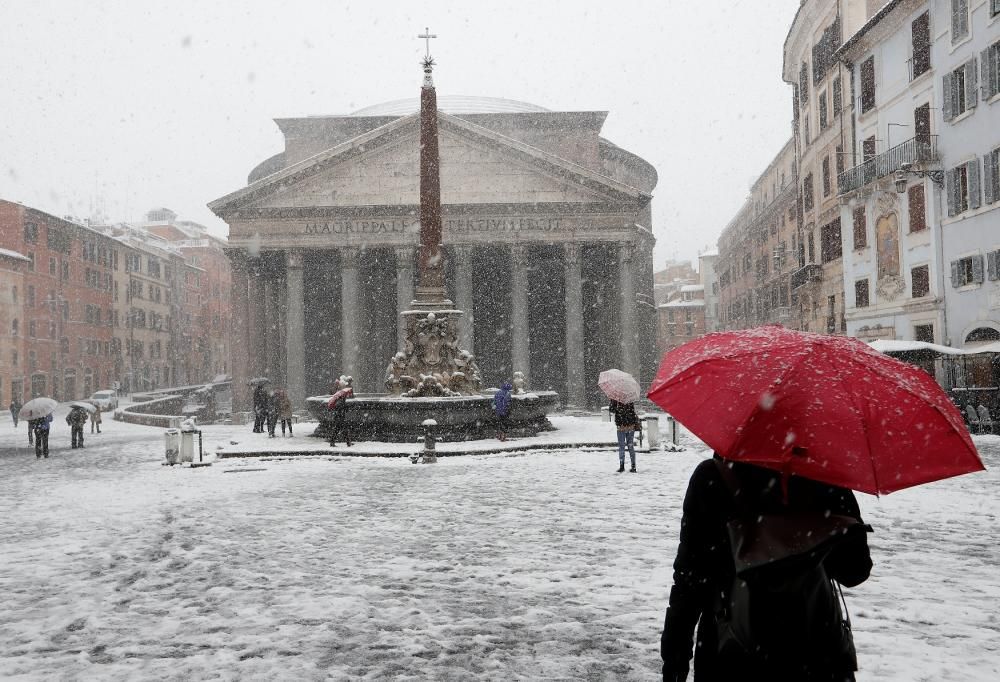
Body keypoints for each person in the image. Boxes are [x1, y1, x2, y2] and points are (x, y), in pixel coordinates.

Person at [660, 454, 873, 681]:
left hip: (732, 656)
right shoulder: (825, 474)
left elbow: (689, 583)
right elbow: (855, 571)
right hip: (816, 655)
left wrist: (675, 664)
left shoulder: (713, 476)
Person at [609, 399, 640, 472]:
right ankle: (633, 466)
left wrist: (613, 404)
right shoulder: (629, 398)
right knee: (630, 446)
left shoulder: (615, 398)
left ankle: (622, 466)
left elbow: (612, 410)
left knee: (622, 447)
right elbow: (632, 412)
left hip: (622, 426)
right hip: (630, 425)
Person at [327, 378, 354, 447]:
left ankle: (334, 442)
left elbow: (339, 406)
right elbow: (340, 407)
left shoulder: (340, 397)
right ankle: (348, 442)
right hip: (340, 416)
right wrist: (345, 408)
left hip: (339, 416)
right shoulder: (340, 398)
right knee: (343, 429)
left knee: (338, 429)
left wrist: (344, 407)